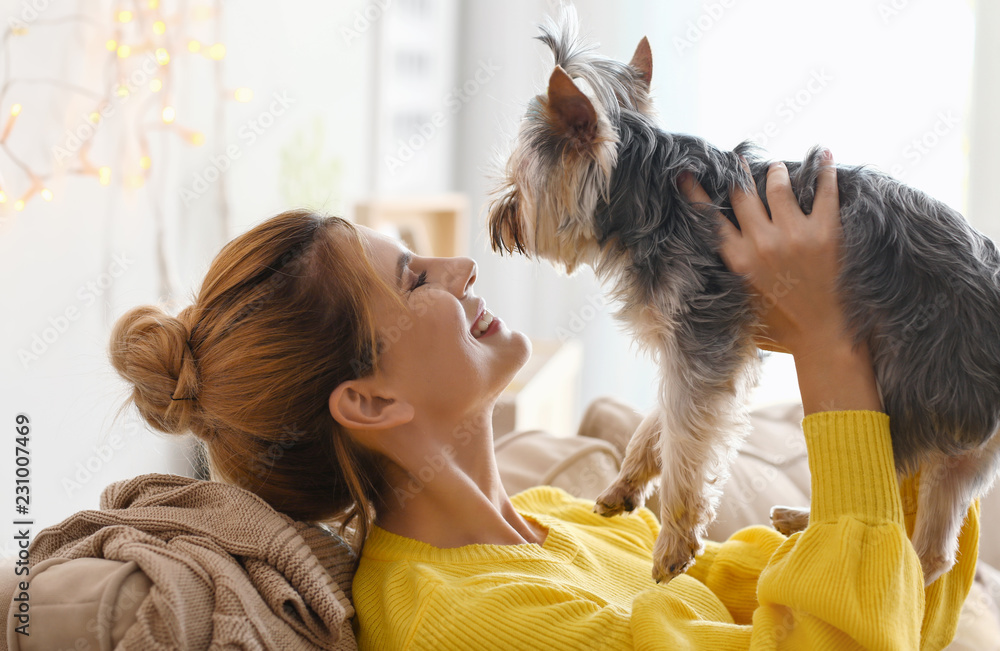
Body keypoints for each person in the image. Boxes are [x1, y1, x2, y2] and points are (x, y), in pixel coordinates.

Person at [109, 151, 978, 650]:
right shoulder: (471, 620)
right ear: (370, 401)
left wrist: (922, 381)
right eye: (415, 276)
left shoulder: (565, 520)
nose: (462, 268)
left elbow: (896, 611)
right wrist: (833, 356)